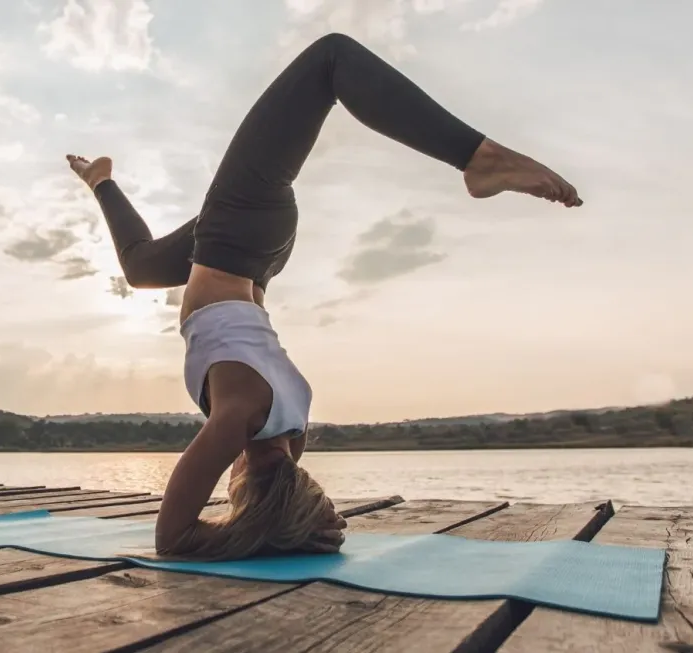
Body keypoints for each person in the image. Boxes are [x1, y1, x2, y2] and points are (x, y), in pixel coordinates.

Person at [66, 33, 582, 561]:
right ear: (242, 486)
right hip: (238, 240)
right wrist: (263, 535)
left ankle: (101, 181)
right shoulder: (237, 419)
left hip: (259, 257)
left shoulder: (294, 425)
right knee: (330, 60)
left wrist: (293, 528)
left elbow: (280, 493)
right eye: (233, 495)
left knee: (142, 269)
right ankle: (479, 158)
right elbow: (173, 540)